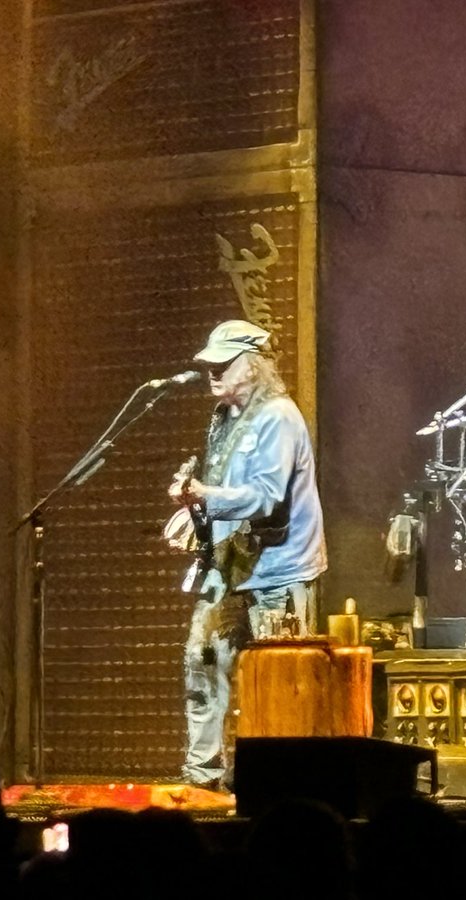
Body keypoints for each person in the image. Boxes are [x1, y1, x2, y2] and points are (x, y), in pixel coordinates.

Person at [166, 320, 327, 789]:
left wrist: (204, 496)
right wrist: (196, 518)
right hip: (231, 567)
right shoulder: (223, 418)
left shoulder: (277, 416)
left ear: (254, 365)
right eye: (209, 364)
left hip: (278, 571)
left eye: (223, 363)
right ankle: (202, 775)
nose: (211, 372)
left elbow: (265, 495)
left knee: (277, 681)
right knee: (204, 658)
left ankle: (277, 785)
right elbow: (226, 493)